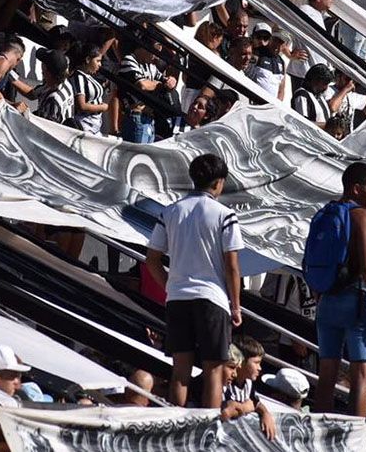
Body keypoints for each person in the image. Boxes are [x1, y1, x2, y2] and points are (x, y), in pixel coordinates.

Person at [145, 153, 244, 408]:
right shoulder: (225, 215)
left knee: (180, 370)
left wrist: (170, 285)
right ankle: (209, 431)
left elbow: (152, 259)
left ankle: (177, 425)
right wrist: (235, 305)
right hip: (213, 298)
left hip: (178, 297)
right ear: (219, 182)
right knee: (214, 369)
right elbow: (232, 266)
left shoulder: (170, 212)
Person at [310, 162, 366, 417]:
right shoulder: (363, 216)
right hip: (355, 299)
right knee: (361, 375)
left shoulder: (325, 212)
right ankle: (356, 437)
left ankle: (321, 433)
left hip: (327, 301)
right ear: (356, 189)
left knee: (326, 373)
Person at [221, 336, 276, 440]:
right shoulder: (227, 383)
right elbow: (227, 411)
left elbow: (255, 403)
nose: (260, 368)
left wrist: (265, 413)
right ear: (242, 362)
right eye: (256, 363)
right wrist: (245, 407)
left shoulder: (248, 383)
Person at [117, 42, 173, 144]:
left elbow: (165, 81)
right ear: (144, 48)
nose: (156, 58)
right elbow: (143, 85)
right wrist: (160, 85)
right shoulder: (129, 60)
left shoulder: (150, 66)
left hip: (149, 118)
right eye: (154, 53)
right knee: (136, 155)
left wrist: (171, 81)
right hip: (137, 117)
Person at [69, 42, 108, 134]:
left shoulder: (88, 76)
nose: (100, 65)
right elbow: (81, 105)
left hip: (95, 125)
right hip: (84, 125)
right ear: (87, 59)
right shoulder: (78, 77)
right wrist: (101, 107)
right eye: (97, 61)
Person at [33, 48, 74, 125]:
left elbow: (48, 127)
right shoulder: (65, 83)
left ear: (46, 70)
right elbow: (32, 94)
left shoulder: (53, 99)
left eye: (43, 62)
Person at [291, 63, 333, 128]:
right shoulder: (302, 95)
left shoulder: (319, 96)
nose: (326, 88)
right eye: (324, 83)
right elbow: (302, 123)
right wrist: (328, 126)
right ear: (315, 80)